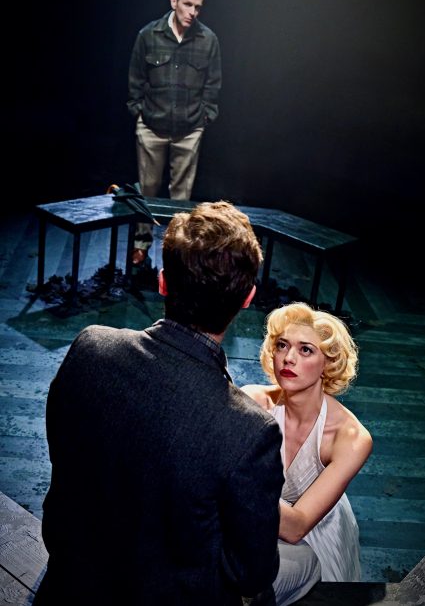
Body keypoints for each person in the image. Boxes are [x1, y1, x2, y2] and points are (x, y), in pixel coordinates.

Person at [34, 201, 285, 606]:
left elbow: (64, 457)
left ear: (163, 282)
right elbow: (250, 574)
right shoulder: (250, 430)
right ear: (248, 297)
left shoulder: (89, 347)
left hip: (69, 581)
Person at [242, 302, 373, 605]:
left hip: (313, 539)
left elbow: (297, 526)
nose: (288, 358)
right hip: (253, 523)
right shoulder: (252, 400)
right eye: (282, 345)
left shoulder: (351, 437)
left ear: (328, 364)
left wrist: (232, 490)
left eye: (305, 350)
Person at [127, 0, 222, 266]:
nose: (193, 12)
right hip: (151, 126)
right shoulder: (149, 35)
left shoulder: (207, 40)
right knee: (148, 189)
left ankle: (174, 251)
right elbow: (136, 78)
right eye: (188, 4)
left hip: (189, 128)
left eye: (198, 7)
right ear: (174, 2)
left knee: (180, 198)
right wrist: (138, 111)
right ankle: (141, 244)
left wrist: (205, 116)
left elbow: (213, 84)